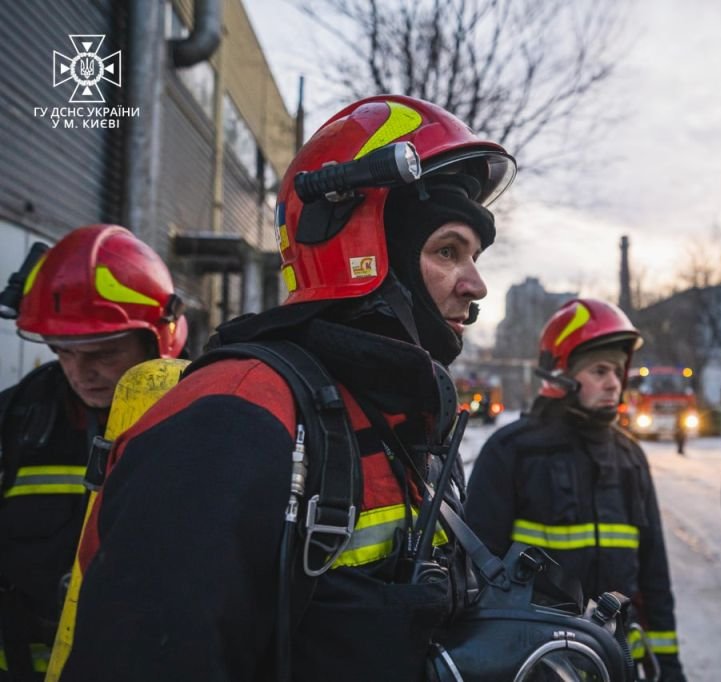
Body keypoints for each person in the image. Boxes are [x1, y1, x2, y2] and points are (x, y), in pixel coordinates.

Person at [58, 96, 516, 681]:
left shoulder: (402, 420)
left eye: (474, 256)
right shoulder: (232, 415)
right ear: (367, 249)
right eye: (448, 251)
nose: (476, 284)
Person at [466, 298, 688, 681]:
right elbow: (474, 576)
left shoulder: (629, 457)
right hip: (536, 665)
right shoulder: (511, 452)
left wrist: (668, 667)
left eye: (618, 372)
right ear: (560, 374)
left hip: (618, 663)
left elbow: (654, 575)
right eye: (600, 370)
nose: (614, 383)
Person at [0, 224, 187, 680]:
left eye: (103, 353)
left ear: (155, 339)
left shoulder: (204, 421)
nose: (80, 373)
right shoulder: (16, 421)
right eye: (62, 352)